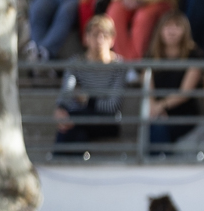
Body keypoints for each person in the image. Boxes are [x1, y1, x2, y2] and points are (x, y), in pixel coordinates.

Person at [54, 15, 127, 152]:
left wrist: (86, 99)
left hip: (107, 122)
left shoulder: (119, 66)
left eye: (104, 35)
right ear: (86, 37)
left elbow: (113, 106)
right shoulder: (75, 63)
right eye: (95, 35)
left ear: (112, 39)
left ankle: (56, 160)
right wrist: (60, 107)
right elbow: (67, 91)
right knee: (77, 132)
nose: (99, 40)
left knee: (71, 122)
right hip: (79, 118)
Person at [147, 10, 204, 152]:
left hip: (184, 115)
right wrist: (155, 108)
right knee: (155, 126)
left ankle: (160, 165)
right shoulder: (151, 56)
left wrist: (161, 106)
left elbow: (185, 93)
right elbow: (148, 90)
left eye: (177, 26)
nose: (172, 31)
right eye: (167, 26)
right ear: (160, 30)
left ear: (185, 31)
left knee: (159, 129)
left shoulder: (194, 55)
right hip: (158, 113)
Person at [105, 0, 175, 61]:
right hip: (136, 3)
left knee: (143, 16)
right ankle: (123, 60)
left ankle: (136, 62)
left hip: (158, 3)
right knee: (115, 10)